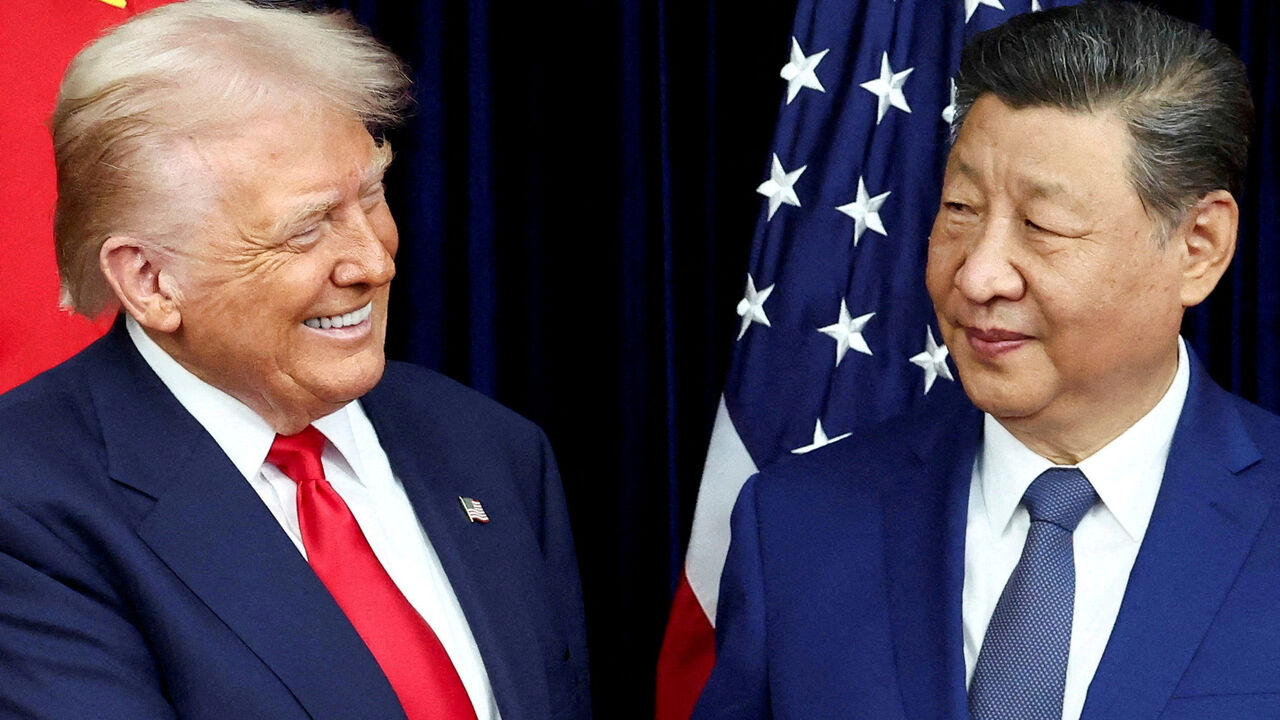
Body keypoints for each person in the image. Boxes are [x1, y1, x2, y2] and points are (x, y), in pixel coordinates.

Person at [0, 1, 590, 718]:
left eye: (372, 196)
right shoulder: (25, 506)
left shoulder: (490, 449)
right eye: (306, 229)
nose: (374, 261)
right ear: (151, 281)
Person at [693, 2, 1278, 719]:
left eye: (1043, 225)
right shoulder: (796, 526)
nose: (977, 276)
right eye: (960, 209)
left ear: (1199, 247)